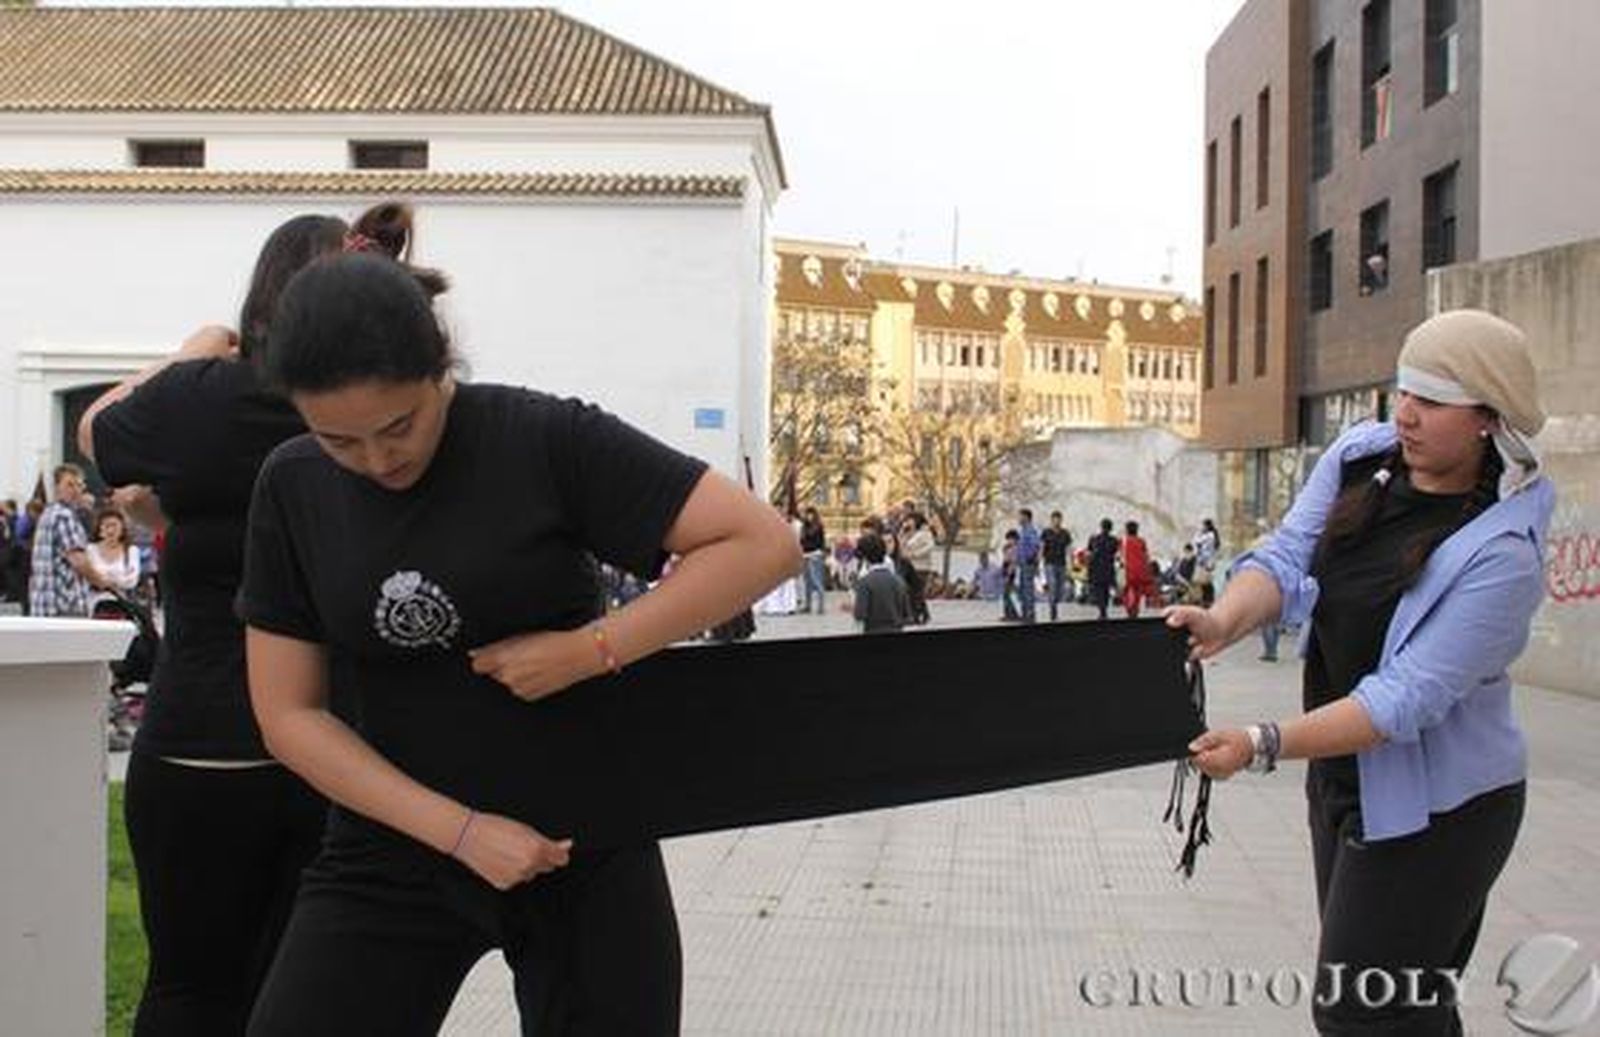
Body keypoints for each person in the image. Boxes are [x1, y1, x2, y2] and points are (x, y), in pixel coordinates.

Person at [236, 252, 798, 1035]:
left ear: (439, 366)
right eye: (340, 441)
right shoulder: (291, 485)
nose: (377, 459)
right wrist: (462, 831)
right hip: (392, 843)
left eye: (399, 426)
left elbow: (761, 542)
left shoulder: (541, 436)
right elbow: (288, 713)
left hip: (583, 838)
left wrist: (593, 647)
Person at [79, 204, 418, 1035]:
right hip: (339, 745)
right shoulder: (379, 408)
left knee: (192, 986)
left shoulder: (210, 397)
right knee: (308, 995)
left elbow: (97, 429)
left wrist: (195, 348)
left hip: (205, 737)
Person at [1175, 310, 1553, 1035]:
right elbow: (1286, 558)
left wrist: (1260, 740)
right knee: (1403, 1008)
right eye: (1402, 392)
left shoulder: (1503, 552)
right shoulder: (1359, 457)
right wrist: (1221, 622)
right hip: (1344, 780)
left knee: (1357, 1010)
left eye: (1432, 400)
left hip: (1446, 808)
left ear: (1487, 418)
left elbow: (1403, 698)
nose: (1405, 414)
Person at [27, 464, 101, 618]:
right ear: (56, 487)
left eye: (79, 485)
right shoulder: (64, 516)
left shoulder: (48, 513)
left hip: (43, 604)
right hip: (65, 605)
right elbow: (78, 561)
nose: (75, 490)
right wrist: (102, 582)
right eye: (69, 484)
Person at [86, 506, 142, 615]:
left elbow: (132, 581)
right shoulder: (90, 550)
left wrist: (105, 579)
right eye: (107, 526)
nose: (111, 530)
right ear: (100, 529)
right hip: (94, 604)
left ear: (122, 528)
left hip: (122, 604)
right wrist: (117, 578)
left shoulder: (131, 551)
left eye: (114, 525)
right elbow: (88, 577)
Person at [851, 531, 911, 634]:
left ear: (865, 557)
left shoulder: (864, 583)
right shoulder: (898, 580)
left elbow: (860, 615)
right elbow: (906, 614)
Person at [899, 512, 935, 623]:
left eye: (910, 520)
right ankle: (923, 614)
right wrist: (902, 534)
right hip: (909, 566)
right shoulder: (908, 533)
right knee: (912, 592)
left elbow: (930, 546)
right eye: (907, 520)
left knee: (917, 592)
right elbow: (900, 545)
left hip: (921, 566)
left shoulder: (924, 533)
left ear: (916, 520)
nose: (908, 522)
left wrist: (915, 554)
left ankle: (917, 615)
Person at [1041, 511, 1073, 621]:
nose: (1057, 521)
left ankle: (1054, 602)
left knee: (1060, 589)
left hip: (1061, 563)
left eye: (1059, 519)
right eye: (1055, 519)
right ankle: (1052, 609)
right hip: (1049, 563)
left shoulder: (1065, 533)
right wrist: (1038, 560)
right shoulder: (1046, 532)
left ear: (1061, 520)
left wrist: (1071, 563)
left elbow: (1069, 549)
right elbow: (1042, 547)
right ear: (1051, 520)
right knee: (1053, 585)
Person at [1119, 520, 1153, 619]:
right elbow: (1146, 556)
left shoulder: (1123, 541)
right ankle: (1135, 609)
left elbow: (1120, 555)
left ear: (1126, 530)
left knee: (1126, 590)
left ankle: (1129, 608)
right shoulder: (1141, 541)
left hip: (1128, 570)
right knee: (1137, 590)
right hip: (1140, 569)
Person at [1085, 518, 1118, 621]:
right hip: (1108, 568)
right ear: (1111, 528)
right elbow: (1114, 553)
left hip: (1096, 568)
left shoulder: (1094, 539)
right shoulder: (1114, 540)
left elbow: (1089, 553)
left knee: (1099, 590)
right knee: (1106, 590)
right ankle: (1104, 610)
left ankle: (1102, 610)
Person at [1014, 508, 1041, 623]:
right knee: (1023, 589)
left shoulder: (1030, 530)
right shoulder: (1023, 530)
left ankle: (1030, 614)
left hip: (1028, 564)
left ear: (1026, 517)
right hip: (1022, 564)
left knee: (1028, 590)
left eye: (1020, 516)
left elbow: (1035, 545)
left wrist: (1030, 558)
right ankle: (1025, 613)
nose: (1019, 518)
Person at [799, 506, 827, 614]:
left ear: (814, 515)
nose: (808, 516)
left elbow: (820, 543)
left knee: (817, 581)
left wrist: (820, 553)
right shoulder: (804, 527)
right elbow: (801, 541)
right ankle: (808, 605)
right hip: (805, 555)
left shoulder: (818, 527)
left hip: (815, 555)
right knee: (807, 582)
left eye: (810, 514)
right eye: (807, 514)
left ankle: (821, 606)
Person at [1193, 517, 1220, 605]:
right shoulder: (1210, 535)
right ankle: (1207, 599)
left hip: (1207, 562)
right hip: (1205, 561)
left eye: (1203, 525)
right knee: (1204, 582)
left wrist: (1198, 533)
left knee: (1205, 581)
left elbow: (1197, 541)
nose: (1202, 527)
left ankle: (1208, 599)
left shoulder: (1210, 535)